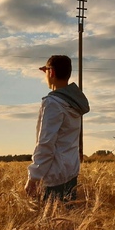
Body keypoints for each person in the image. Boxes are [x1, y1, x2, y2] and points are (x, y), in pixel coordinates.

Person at [25, 55, 90, 204]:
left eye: (46, 71)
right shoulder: (74, 103)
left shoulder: (53, 103)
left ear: (51, 72)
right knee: (68, 221)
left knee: (51, 224)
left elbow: (46, 143)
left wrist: (33, 177)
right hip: (71, 172)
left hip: (54, 176)